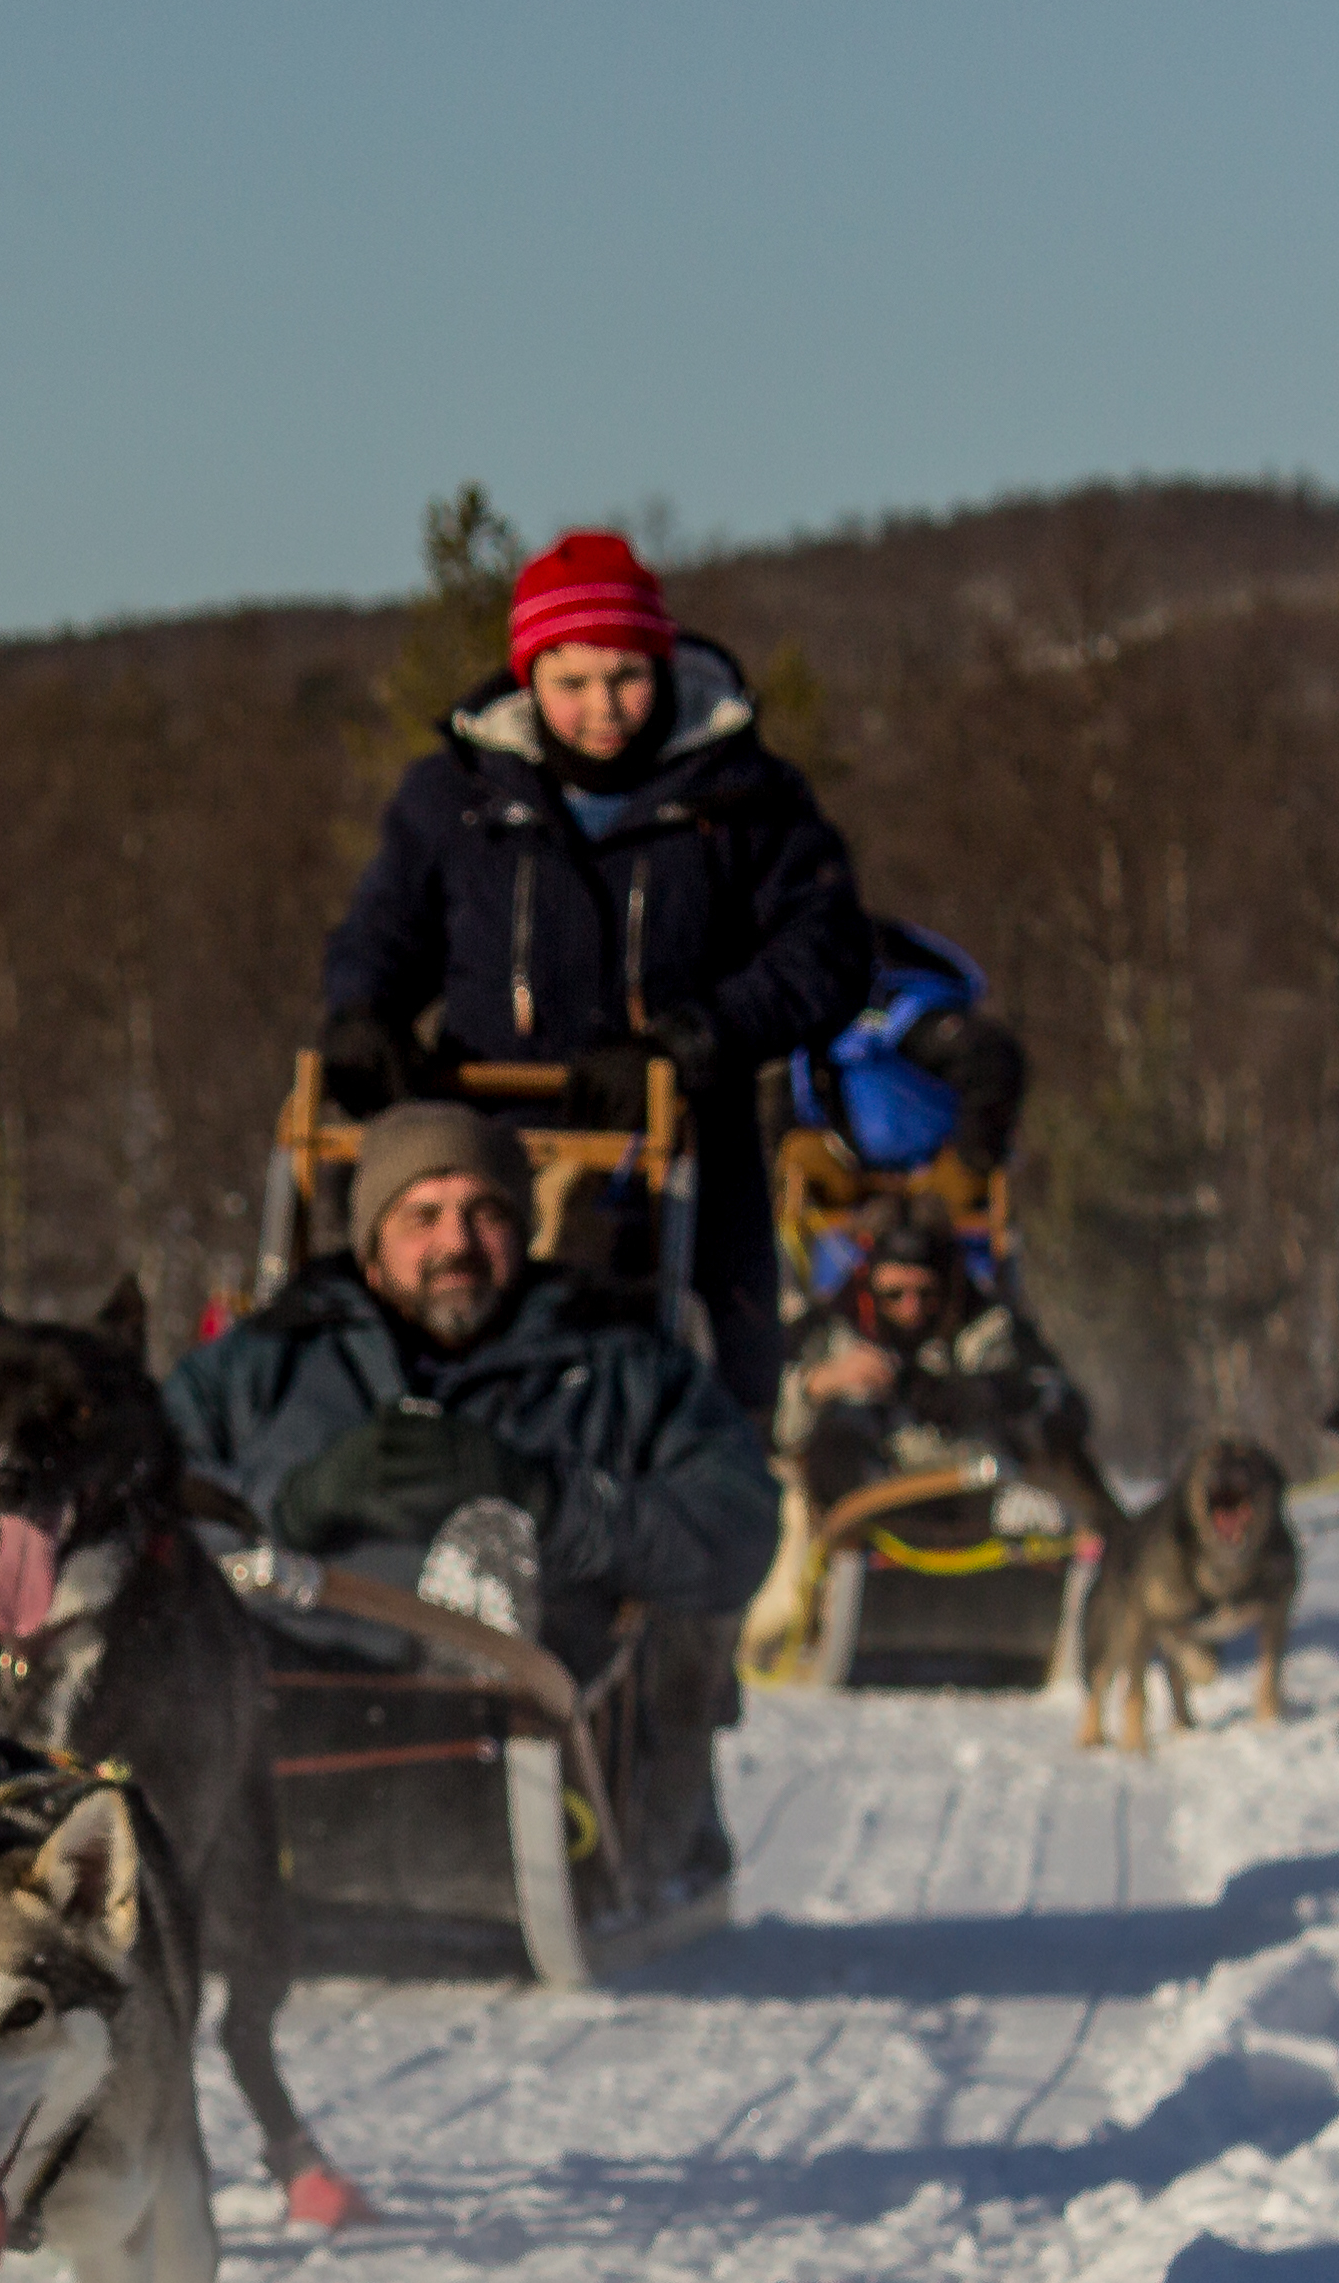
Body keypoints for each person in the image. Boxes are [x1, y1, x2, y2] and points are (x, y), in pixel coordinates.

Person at [317, 529, 875, 1404]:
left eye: (626, 677)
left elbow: (827, 951)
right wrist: (362, 1013)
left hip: (680, 1134)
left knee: (718, 1383)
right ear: (528, 678)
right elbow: (384, 931)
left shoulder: (742, 793)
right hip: (484, 1127)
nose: (600, 708)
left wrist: (691, 1040)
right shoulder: (456, 796)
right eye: (569, 682)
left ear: (662, 666)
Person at [166, 1103, 778, 1683]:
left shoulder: (616, 1365)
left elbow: (739, 1532)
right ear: (372, 1251)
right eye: (422, 1217)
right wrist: (288, 1505)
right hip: (290, 1704)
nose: (456, 1244)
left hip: (539, 1730)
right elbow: (137, 1499)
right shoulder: (268, 1359)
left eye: (487, 1214)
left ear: (523, 1235)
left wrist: (547, 1501)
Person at [744, 1195, 1117, 1650]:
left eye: (926, 1293)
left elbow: (1064, 1408)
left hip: (975, 1486)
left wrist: (984, 1394)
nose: (910, 1308)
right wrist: (818, 1384)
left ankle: (1113, 1595)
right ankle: (773, 1630)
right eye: (893, 1294)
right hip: (861, 1498)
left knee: (1060, 1475)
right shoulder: (827, 1329)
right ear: (868, 1284)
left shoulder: (987, 1327)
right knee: (797, 1477)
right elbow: (763, 1426)